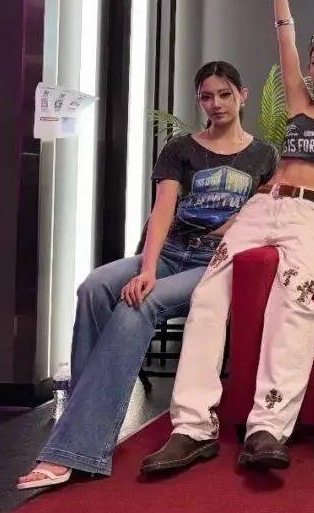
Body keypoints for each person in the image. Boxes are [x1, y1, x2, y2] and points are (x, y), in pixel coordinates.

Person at [142, 0, 314, 474]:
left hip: (310, 215)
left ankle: (267, 428)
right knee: (207, 296)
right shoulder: (298, 100)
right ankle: (191, 427)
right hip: (263, 207)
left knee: (294, 304)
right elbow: (284, 35)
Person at [17, 62, 278, 490]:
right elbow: (162, 210)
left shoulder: (264, 155)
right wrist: (148, 267)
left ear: (242, 95)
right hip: (172, 250)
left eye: (225, 94)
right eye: (207, 96)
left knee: (139, 304)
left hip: (214, 262)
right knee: (95, 286)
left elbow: (263, 215)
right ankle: (84, 419)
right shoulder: (180, 149)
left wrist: (223, 234)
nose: (216, 104)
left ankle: (73, 449)